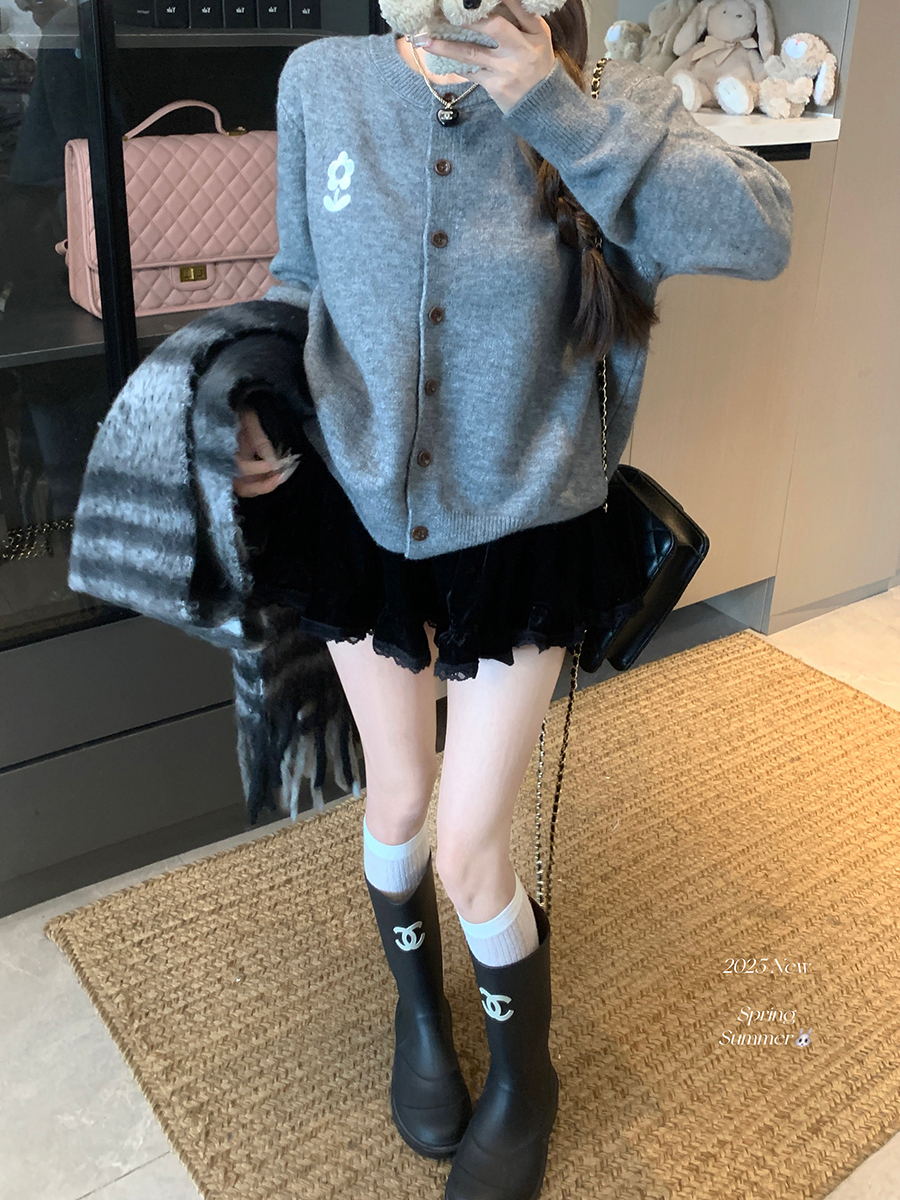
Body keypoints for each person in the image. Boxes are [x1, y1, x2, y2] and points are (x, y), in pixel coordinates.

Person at [230, 2, 793, 1197]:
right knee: (397, 799)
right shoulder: (322, 81)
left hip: (525, 534)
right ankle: (421, 1016)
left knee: (471, 845)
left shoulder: (608, 100)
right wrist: (254, 402)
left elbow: (762, 234)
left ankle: (525, 1078)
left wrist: (556, 107)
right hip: (355, 517)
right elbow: (297, 280)